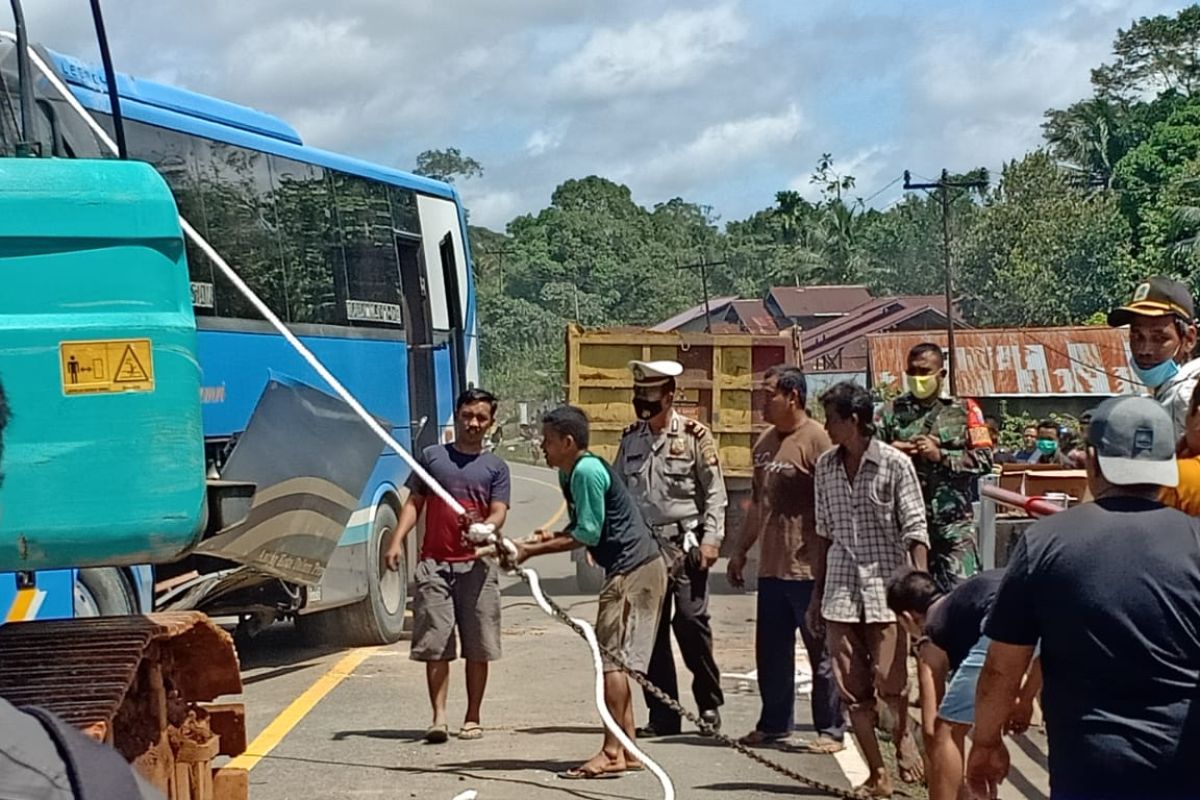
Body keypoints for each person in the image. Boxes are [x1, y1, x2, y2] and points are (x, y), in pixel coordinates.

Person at [968, 395, 1200, 800]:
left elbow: (1003, 667)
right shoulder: (1196, 541)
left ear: (1091, 459)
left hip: (1088, 765)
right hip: (1184, 762)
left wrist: (986, 742)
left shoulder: (1045, 541)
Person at [514, 405, 667, 779]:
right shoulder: (569, 474)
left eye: (547, 441)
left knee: (610, 662)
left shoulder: (585, 471)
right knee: (615, 660)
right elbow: (580, 523)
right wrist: (544, 537)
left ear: (568, 442)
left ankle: (613, 751)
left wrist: (531, 550)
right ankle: (627, 748)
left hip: (636, 570)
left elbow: (587, 534)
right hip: (630, 567)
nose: (541, 446)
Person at [811, 382, 929, 798]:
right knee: (852, 690)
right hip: (841, 591)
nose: (825, 426)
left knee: (891, 683)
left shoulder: (896, 465)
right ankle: (878, 775)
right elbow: (823, 533)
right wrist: (816, 596)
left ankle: (901, 741)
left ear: (855, 421)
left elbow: (915, 528)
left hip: (887, 590)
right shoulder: (826, 467)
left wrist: (919, 594)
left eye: (832, 418)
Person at [728, 365, 846, 753]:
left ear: (792, 397)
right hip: (772, 569)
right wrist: (741, 551)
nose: (763, 402)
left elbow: (835, 505)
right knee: (771, 653)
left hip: (809, 570)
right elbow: (759, 505)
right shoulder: (764, 444)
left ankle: (830, 729)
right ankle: (774, 723)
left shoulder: (819, 441)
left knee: (822, 654)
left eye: (769, 394)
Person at [384, 388, 511, 744]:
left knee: (478, 644)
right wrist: (395, 541)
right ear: (456, 415)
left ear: (491, 423)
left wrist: (488, 526)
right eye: (468, 415)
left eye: (481, 418)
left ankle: (473, 716)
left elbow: (499, 509)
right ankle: (438, 718)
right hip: (435, 566)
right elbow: (414, 503)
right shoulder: (433, 458)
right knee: (435, 644)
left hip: (478, 566)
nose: (473, 423)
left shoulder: (496, 468)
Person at [615, 360, 727, 738]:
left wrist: (712, 538)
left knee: (691, 622)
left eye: (650, 395)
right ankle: (663, 714)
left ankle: (709, 704)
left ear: (669, 395)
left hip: (686, 543)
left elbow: (714, 494)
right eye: (639, 395)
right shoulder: (630, 439)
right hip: (645, 548)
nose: (643, 403)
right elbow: (618, 494)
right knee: (651, 630)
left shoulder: (696, 436)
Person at [886, 569, 1041, 800]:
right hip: (1051, 614)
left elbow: (930, 730)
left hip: (1004, 623)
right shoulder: (964, 602)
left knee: (946, 732)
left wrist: (948, 785)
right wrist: (1026, 699)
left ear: (907, 619)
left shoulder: (932, 635)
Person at [876, 343, 993, 593]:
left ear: (941, 374)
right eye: (912, 372)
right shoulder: (890, 413)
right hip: (905, 527)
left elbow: (984, 460)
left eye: (924, 372)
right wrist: (893, 452)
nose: (918, 379)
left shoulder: (965, 410)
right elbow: (868, 456)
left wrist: (940, 455)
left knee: (963, 597)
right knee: (909, 601)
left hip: (953, 526)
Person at [1108, 276, 1200, 439]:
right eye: (1137, 336)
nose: (1145, 350)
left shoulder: (1186, 396)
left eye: (1159, 338)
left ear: (1189, 339)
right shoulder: (1168, 393)